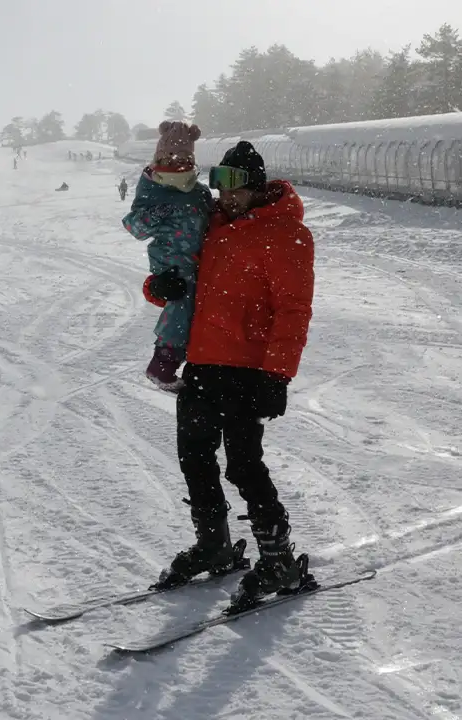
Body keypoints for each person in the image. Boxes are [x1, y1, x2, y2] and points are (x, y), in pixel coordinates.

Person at [142, 140, 316, 614]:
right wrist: (159, 287)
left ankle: (279, 560)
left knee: (243, 465)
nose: (223, 194)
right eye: (218, 181)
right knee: (194, 456)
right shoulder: (215, 227)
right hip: (202, 364)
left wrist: (277, 375)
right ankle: (214, 544)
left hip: (247, 371)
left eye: (233, 184)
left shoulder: (286, 235)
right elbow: (180, 276)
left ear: (257, 186)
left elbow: (294, 312)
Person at [122, 121, 210, 393]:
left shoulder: (200, 192)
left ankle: (184, 360)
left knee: (198, 310)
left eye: (184, 157)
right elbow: (135, 227)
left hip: (200, 261)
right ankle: (163, 363)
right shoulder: (152, 187)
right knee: (181, 306)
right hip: (171, 262)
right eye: (170, 156)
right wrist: (159, 212)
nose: (177, 162)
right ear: (159, 157)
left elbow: (214, 222)